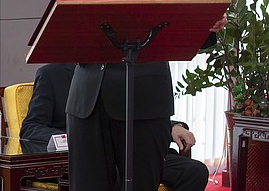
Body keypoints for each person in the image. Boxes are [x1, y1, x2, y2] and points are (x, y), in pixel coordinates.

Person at [66, 0, 225, 191]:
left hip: (142, 102)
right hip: (86, 104)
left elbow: (182, 34)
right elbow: (72, 36)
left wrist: (206, 27)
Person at [21, 63, 209, 191]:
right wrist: (66, 139)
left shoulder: (135, 73)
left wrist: (173, 127)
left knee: (194, 172)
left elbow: (131, 113)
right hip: (85, 148)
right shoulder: (52, 73)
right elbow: (31, 127)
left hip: (135, 145)